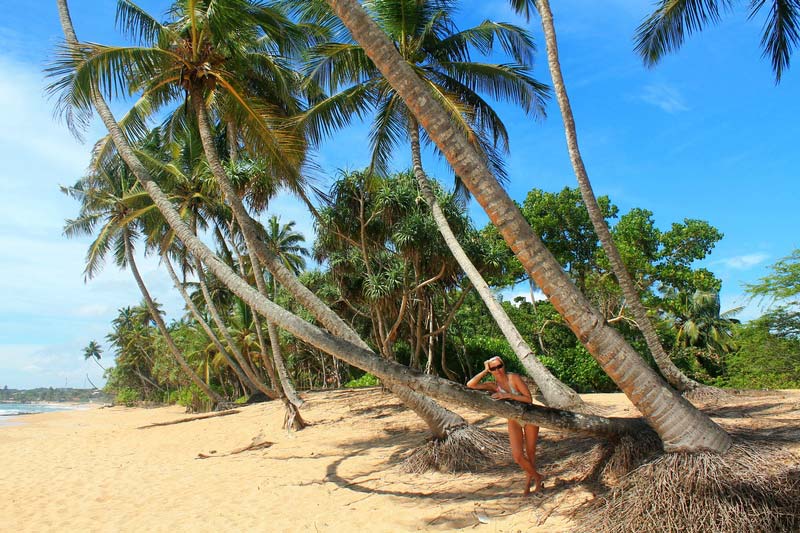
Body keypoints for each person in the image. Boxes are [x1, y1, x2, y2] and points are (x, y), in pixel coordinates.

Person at [467, 356, 543, 496]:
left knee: (530, 452)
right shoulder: (493, 385)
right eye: (493, 368)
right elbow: (470, 385)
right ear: (491, 370)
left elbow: (528, 399)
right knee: (518, 456)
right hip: (513, 419)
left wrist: (507, 395)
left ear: (503, 365)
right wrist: (485, 371)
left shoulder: (513, 378)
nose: (498, 370)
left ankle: (530, 483)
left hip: (530, 416)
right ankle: (538, 477)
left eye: (499, 366)